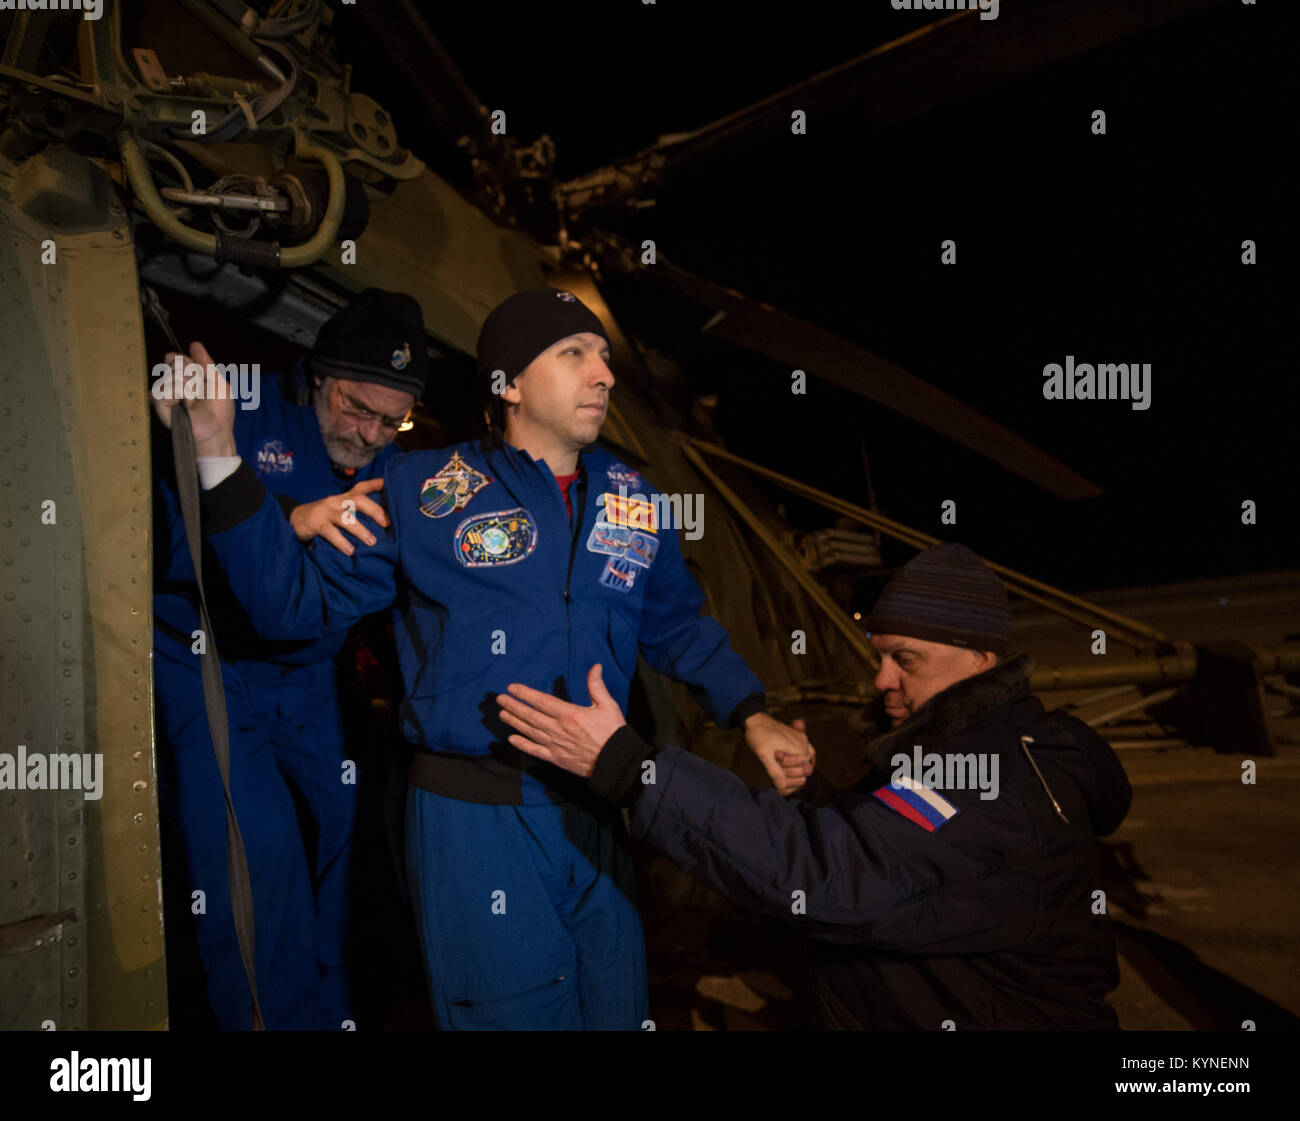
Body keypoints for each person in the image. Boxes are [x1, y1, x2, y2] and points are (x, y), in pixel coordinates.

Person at [164, 287, 813, 1030]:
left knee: (615, 1003)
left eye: (603, 355)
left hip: (601, 806)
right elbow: (288, 605)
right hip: (475, 821)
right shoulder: (423, 488)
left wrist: (752, 711)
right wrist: (218, 454)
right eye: (574, 354)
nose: (602, 374)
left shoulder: (634, 497)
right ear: (507, 384)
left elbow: (677, 623)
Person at [499, 542, 1135, 1029]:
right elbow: (898, 860)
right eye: (879, 655)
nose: (881, 679)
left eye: (905, 660)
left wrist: (634, 770)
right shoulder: (961, 747)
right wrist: (814, 800)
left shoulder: (985, 778)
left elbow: (833, 878)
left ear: (982, 660)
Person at [151, 288, 426, 1029]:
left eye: (390, 418)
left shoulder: (394, 462)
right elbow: (161, 548)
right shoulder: (235, 412)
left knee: (351, 841)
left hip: (308, 679)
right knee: (253, 858)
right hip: (207, 665)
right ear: (316, 375)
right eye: (354, 407)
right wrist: (288, 518)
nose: (370, 434)